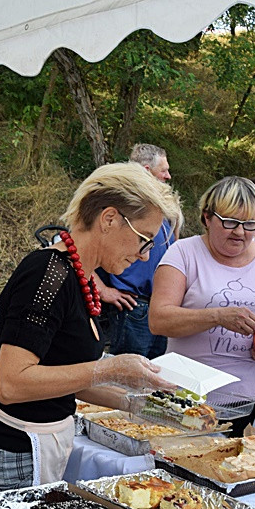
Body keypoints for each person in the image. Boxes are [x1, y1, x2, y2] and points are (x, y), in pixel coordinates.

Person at [0, 163, 180, 495]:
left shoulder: (82, 277)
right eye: (144, 240)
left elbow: (61, 376)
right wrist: (109, 368)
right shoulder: (47, 276)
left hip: (35, 443)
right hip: (10, 451)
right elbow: (10, 384)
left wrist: (139, 404)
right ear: (109, 219)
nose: (145, 256)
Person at [150, 176, 255, 434]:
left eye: (251, 224)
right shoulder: (183, 253)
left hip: (254, 402)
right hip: (187, 397)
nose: (240, 232)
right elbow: (158, 320)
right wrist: (217, 316)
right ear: (207, 218)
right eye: (230, 221)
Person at [94, 143, 177, 359]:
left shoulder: (161, 210)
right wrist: (103, 289)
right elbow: (80, 250)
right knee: (126, 378)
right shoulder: (122, 208)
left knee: (155, 374)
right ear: (148, 171)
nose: (168, 176)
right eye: (164, 170)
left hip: (159, 306)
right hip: (134, 306)